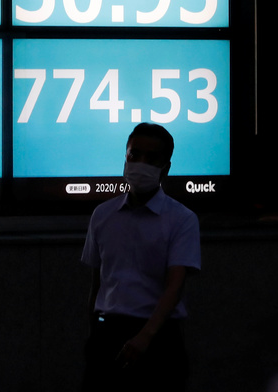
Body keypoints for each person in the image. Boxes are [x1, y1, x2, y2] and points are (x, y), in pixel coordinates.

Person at [81, 123, 201, 392]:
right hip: (107, 333)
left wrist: (146, 336)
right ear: (125, 157)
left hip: (158, 336)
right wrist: (93, 334)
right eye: (134, 155)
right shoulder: (103, 215)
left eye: (151, 158)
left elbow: (175, 286)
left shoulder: (181, 219)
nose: (140, 163)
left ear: (165, 168)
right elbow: (97, 282)